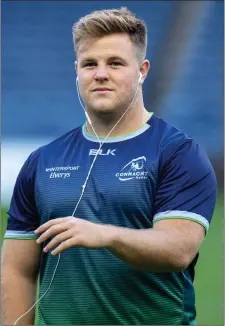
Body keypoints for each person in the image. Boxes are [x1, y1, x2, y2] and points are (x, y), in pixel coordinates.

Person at [1, 7, 217, 326]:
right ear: (77, 70)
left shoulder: (178, 153)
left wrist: (105, 235)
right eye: (90, 64)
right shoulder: (43, 161)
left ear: (142, 70)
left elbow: (178, 249)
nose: (100, 73)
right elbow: (16, 269)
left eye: (115, 63)